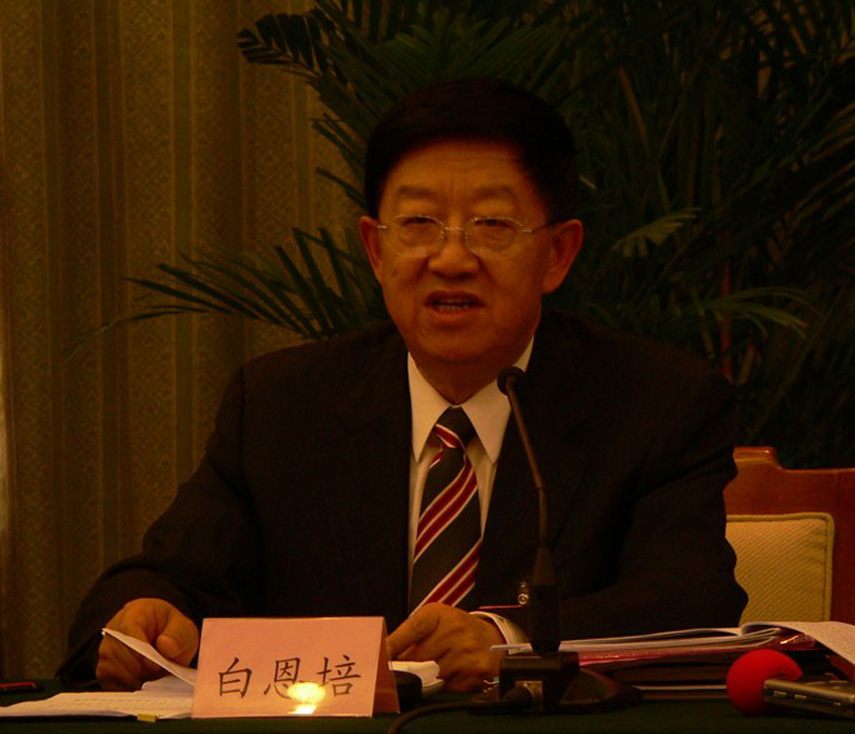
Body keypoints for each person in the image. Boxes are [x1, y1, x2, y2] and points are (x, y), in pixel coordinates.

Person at [59, 78, 746, 692]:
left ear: (557, 254)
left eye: (491, 225)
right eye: (419, 224)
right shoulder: (280, 405)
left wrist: (507, 638)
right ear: (376, 249)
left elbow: (691, 601)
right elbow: (164, 578)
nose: (451, 258)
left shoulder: (656, 403)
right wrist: (141, 621)